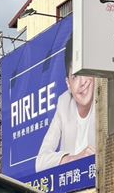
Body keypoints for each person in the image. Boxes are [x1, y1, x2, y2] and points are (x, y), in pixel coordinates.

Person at [34, 36, 96, 173]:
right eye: (75, 76)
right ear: (68, 84)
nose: (82, 82)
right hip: (71, 179)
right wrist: (74, 159)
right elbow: (40, 162)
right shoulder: (64, 103)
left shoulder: (104, 95)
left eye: (85, 71)